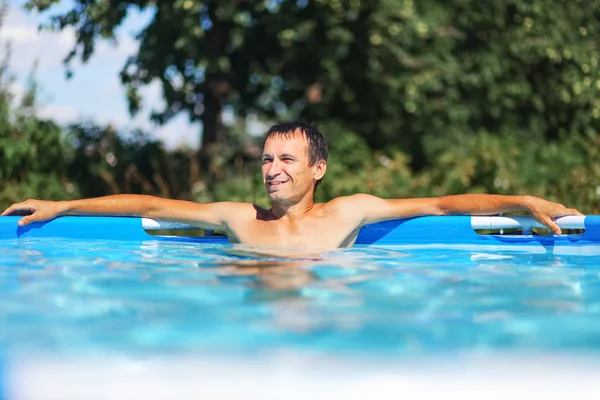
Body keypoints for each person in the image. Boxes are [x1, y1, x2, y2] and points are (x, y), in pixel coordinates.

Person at [1, 122, 583, 251]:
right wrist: (64, 204)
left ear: (317, 169)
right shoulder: (238, 217)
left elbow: (441, 202)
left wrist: (519, 201)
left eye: (287, 158)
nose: (272, 168)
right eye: (265, 158)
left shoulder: (348, 212)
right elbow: (150, 205)